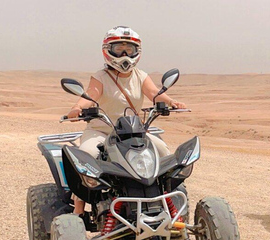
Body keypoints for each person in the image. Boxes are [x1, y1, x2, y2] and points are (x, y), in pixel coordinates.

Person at [67, 25, 186, 215]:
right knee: (86, 156)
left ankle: (168, 201)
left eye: (129, 49)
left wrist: (171, 102)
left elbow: (154, 93)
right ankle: (79, 211)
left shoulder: (140, 76)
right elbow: (91, 95)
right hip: (101, 131)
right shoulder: (101, 77)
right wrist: (77, 108)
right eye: (119, 48)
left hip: (132, 131)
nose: (124, 54)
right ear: (108, 50)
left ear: (137, 51)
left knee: (163, 153)